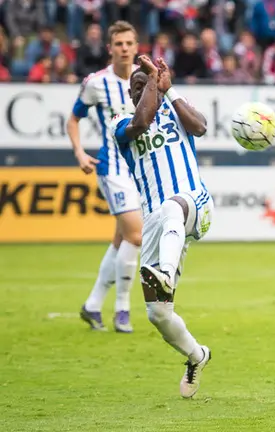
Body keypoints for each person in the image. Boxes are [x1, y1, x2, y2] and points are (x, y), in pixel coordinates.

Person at [110, 55, 214, 398]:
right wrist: (154, 81)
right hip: (156, 222)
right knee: (157, 314)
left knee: (174, 206)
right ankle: (197, 355)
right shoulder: (119, 121)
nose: (145, 89)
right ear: (129, 94)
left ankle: (166, 271)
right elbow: (141, 123)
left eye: (149, 83)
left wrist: (169, 90)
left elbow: (200, 127)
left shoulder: (175, 109)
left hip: (193, 202)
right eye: (138, 86)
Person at [68, 21, 141, 333]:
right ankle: (123, 308)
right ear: (109, 48)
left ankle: (92, 305)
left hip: (141, 168)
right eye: (118, 44)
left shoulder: (146, 77)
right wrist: (80, 153)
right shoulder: (96, 83)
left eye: (129, 43)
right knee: (136, 235)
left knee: (121, 238)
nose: (124, 48)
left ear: (137, 47)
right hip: (112, 167)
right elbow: (73, 119)